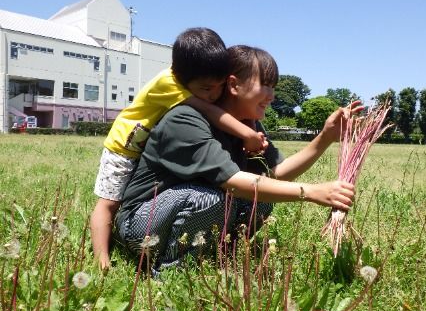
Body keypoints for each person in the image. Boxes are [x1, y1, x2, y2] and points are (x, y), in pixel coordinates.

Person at [114, 45, 363, 271]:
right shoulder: (186, 119)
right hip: (139, 224)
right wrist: (310, 192)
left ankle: (216, 254)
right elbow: (232, 181)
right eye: (266, 85)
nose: (272, 96)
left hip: (177, 214)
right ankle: (173, 271)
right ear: (234, 85)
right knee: (209, 199)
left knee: (263, 197)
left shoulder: (249, 126)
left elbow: (277, 173)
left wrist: (326, 137)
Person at [91, 29, 267, 269]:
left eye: (220, 86)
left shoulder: (195, 80)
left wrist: (251, 122)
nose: (214, 94)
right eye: (207, 89)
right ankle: (101, 258)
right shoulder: (169, 82)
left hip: (143, 142)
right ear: (180, 76)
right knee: (108, 203)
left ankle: (214, 246)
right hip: (123, 146)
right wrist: (247, 132)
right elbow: (212, 112)